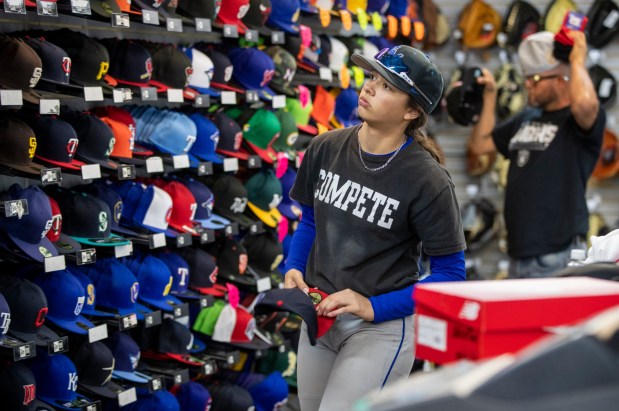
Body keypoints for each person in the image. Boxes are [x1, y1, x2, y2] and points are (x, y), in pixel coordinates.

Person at [284, 45, 467, 411]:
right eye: (370, 78)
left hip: (381, 327)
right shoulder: (324, 147)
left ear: (412, 110)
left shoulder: (428, 180)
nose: (368, 88)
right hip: (319, 315)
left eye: (387, 86)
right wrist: (293, 266)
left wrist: (372, 306)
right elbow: (311, 219)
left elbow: (450, 273)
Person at [467, 30, 605, 278]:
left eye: (536, 77)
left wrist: (576, 60)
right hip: (518, 254)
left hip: (558, 254)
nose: (527, 83)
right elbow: (480, 146)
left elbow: (585, 104)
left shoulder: (577, 121)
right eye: (527, 77)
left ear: (562, 78)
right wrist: (489, 97)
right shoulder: (527, 117)